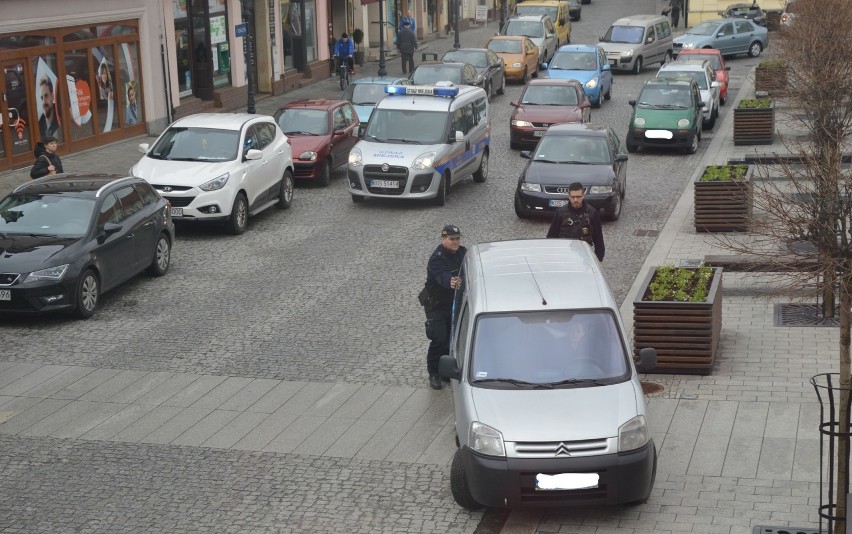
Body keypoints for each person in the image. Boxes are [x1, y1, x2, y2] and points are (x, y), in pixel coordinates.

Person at [421, 225, 467, 390]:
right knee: (439, 339)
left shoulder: (462, 252)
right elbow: (442, 276)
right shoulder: (437, 258)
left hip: (454, 304)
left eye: (457, 238)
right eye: (452, 239)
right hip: (437, 306)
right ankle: (434, 373)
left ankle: (446, 371)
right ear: (443, 239)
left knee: (452, 338)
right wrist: (451, 282)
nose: (456, 242)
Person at [546, 182, 605, 262]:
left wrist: (599, 259)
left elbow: (598, 239)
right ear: (569, 197)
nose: (575, 200)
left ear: (583, 196)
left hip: (585, 257)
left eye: (578, 197)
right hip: (565, 256)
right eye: (573, 197)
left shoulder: (592, 213)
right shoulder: (560, 213)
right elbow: (551, 238)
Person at [38, 75, 60, 140]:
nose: (44, 102)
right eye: (42, 98)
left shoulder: (60, 119)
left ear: (52, 96)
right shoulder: (39, 125)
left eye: (46, 96)